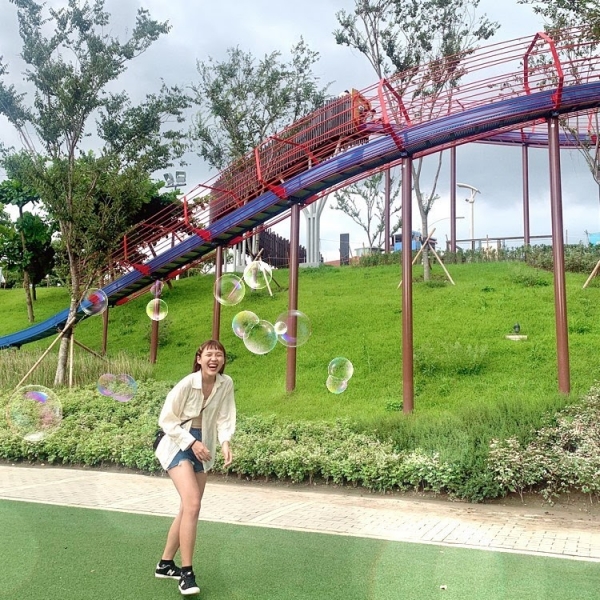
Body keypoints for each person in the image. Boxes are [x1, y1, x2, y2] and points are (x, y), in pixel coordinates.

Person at [154, 339, 236, 596]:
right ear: (199, 359)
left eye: (219, 355)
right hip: (177, 442)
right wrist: (192, 442)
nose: (214, 359)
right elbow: (167, 420)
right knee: (192, 504)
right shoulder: (187, 383)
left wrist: (225, 442)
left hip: (204, 445)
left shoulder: (226, 383)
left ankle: (165, 564)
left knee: (188, 508)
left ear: (223, 360)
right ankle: (187, 574)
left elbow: (225, 417)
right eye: (209, 354)